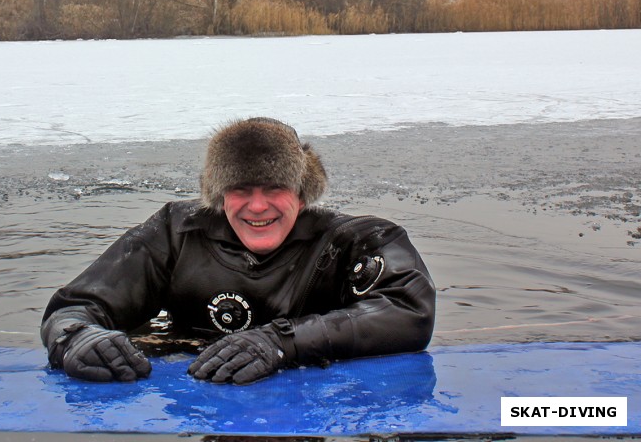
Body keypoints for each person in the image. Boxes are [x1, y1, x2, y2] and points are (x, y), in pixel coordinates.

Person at [41, 117, 435, 385]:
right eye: (241, 190)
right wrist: (78, 338)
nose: (258, 206)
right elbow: (75, 307)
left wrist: (283, 342)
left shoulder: (357, 240)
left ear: (302, 193)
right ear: (219, 195)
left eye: (274, 188)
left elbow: (408, 310)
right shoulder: (176, 231)